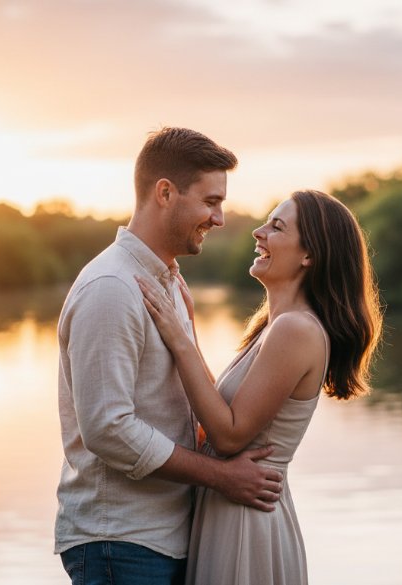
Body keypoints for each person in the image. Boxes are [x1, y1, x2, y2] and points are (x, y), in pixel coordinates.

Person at [55, 127, 284, 585]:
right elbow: (108, 428)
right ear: (165, 193)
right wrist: (220, 476)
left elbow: (171, 409)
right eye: (211, 201)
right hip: (119, 542)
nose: (219, 218)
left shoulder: (169, 284)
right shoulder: (112, 289)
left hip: (162, 538)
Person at [136, 189, 383, 585]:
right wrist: (189, 332)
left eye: (276, 226)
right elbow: (223, 412)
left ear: (309, 255)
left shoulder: (296, 329)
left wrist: (180, 339)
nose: (258, 231)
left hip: (245, 521)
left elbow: (230, 436)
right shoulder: (276, 326)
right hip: (233, 508)